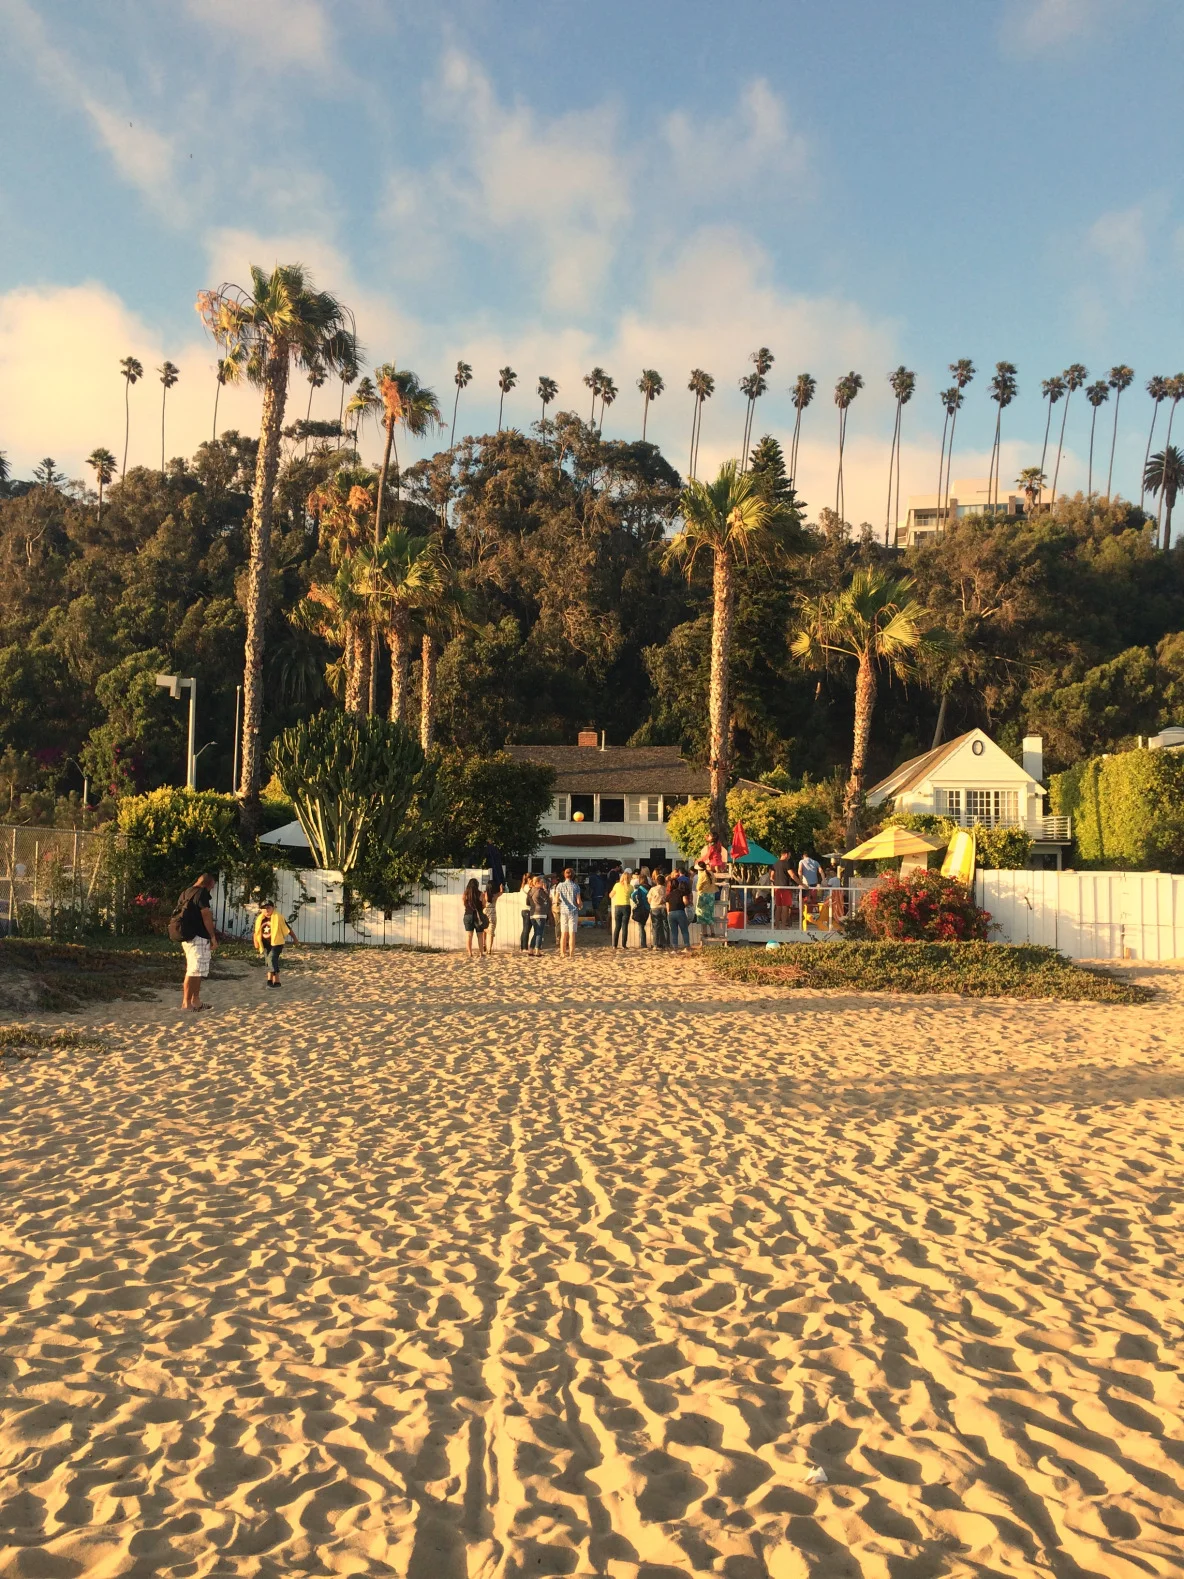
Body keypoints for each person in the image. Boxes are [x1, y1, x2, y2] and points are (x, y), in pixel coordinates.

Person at [173, 872, 218, 1011]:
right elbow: (206, 915)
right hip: (197, 936)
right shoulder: (201, 893)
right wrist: (212, 937)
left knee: (197, 970)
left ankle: (196, 1001)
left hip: (188, 935)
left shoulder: (185, 892)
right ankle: (186, 1003)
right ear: (209, 884)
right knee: (193, 969)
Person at [253, 899, 298, 988]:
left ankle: (269, 981)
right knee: (270, 962)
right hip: (265, 944)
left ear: (273, 908)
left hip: (277, 943)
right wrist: (256, 942)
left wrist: (295, 939)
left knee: (271, 959)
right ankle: (277, 982)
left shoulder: (279, 917)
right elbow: (256, 932)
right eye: (264, 908)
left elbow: (288, 929)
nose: (266, 910)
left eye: (268, 907)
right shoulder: (260, 919)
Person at [555, 866, 582, 957]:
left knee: (563, 933)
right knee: (572, 933)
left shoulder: (560, 885)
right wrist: (580, 905)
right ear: (573, 875)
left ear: (564, 875)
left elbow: (556, 899)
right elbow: (578, 901)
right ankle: (571, 953)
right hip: (573, 911)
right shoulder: (576, 886)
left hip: (563, 910)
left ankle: (562, 952)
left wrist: (559, 903)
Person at [771, 849, 798, 929]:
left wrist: (775, 882)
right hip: (785, 887)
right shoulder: (786, 864)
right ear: (786, 854)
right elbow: (792, 875)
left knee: (778, 907)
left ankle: (777, 926)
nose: (789, 857)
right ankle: (783, 925)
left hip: (777, 888)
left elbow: (771, 876)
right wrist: (801, 884)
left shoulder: (775, 864)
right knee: (785, 907)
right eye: (789, 855)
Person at [667, 865, 691, 951]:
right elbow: (685, 901)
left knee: (674, 932)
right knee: (684, 930)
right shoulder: (681, 892)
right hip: (680, 912)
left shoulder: (669, 895)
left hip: (671, 913)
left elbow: (667, 907)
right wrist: (687, 905)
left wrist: (669, 914)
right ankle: (687, 947)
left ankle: (675, 948)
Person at [462, 877, 488, 957]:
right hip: (478, 916)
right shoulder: (480, 894)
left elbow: (464, 903)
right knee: (480, 935)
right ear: (477, 885)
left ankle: (470, 953)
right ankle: (481, 953)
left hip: (468, 915)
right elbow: (484, 905)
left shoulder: (465, 894)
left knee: (469, 935)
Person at [526, 875, 551, 954]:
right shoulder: (539, 891)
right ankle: (537, 950)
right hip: (540, 913)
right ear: (537, 883)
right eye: (541, 882)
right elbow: (547, 898)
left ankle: (531, 949)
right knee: (540, 932)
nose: (543, 883)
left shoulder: (530, 891)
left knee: (536, 932)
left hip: (532, 913)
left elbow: (527, 903)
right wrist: (546, 890)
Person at [609, 868, 633, 950]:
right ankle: (623, 945)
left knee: (617, 926)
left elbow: (611, 895)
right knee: (625, 926)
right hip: (626, 906)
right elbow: (631, 896)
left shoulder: (617, 885)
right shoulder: (630, 887)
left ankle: (614, 945)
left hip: (618, 906)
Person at [695, 861, 718, 937]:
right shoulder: (711, 873)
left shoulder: (702, 875)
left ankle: (704, 932)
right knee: (709, 914)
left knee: (702, 914)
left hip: (703, 895)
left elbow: (698, 887)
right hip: (711, 895)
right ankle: (713, 931)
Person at [648, 870, 669, 948]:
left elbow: (649, 899)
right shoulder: (666, 889)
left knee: (656, 926)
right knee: (665, 925)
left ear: (656, 881)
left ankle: (655, 944)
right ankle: (666, 943)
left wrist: (653, 903)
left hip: (654, 908)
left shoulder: (653, 889)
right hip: (663, 908)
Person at [630, 872, 651, 948]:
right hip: (648, 908)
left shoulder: (640, 888)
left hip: (641, 907)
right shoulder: (650, 887)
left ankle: (643, 943)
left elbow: (632, 895)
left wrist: (636, 902)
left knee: (641, 927)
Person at [484, 874, 502, 950]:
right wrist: (501, 887)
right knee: (491, 931)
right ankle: (489, 949)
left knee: (484, 928)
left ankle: (483, 945)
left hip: (485, 911)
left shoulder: (484, 894)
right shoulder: (495, 895)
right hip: (492, 912)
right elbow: (501, 892)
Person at [518, 872, 534, 951]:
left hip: (523, 909)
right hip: (527, 909)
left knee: (525, 929)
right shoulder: (528, 887)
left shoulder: (522, 887)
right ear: (529, 879)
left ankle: (522, 946)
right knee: (526, 930)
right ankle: (524, 947)